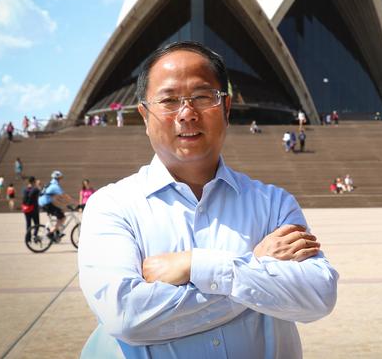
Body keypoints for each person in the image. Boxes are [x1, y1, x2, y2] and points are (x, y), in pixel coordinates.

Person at [78, 41, 337, 359]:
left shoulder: (274, 204)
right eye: (169, 100)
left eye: (202, 97)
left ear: (226, 108)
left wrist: (194, 265)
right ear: (145, 116)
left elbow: (318, 295)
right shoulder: (112, 206)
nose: (186, 114)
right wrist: (252, 270)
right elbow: (127, 317)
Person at [38, 170, 75, 238]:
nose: (61, 179)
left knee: (61, 212)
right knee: (63, 217)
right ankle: (51, 233)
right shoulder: (55, 186)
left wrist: (64, 204)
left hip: (43, 202)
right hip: (46, 203)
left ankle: (57, 232)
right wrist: (75, 202)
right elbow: (64, 195)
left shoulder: (49, 184)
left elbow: (57, 197)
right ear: (58, 178)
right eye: (60, 178)